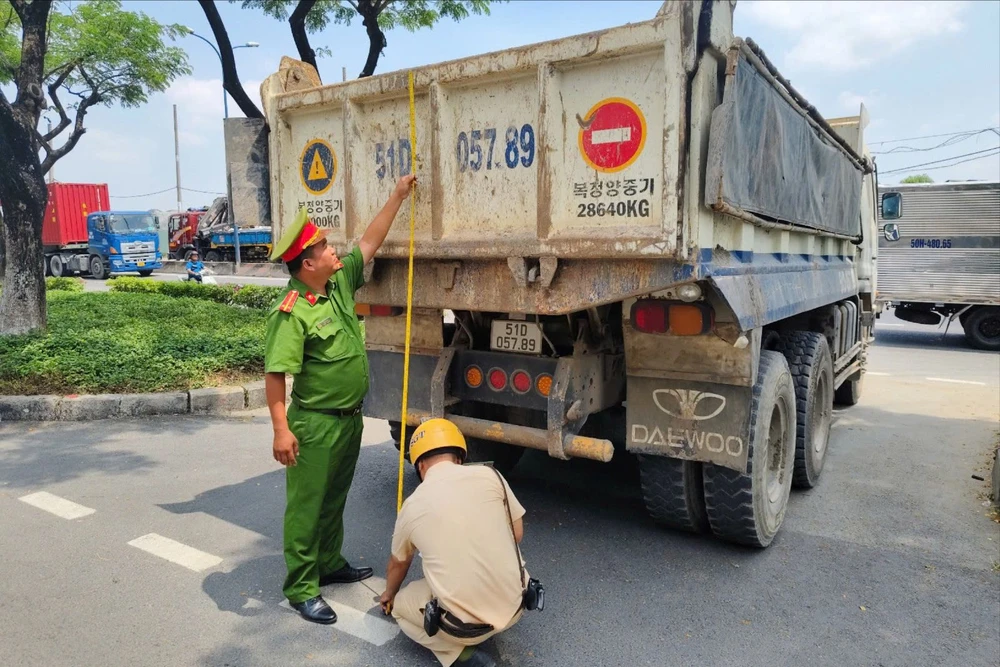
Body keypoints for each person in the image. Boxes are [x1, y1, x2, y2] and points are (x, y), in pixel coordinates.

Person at [264, 173, 417, 624]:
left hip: (348, 420)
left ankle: (328, 563)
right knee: (307, 507)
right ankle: (301, 586)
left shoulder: (338, 285)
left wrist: (397, 196)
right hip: (314, 424)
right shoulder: (291, 312)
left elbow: (369, 242)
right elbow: (275, 375)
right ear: (307, 264)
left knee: (333, 499)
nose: (335, 250)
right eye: (325, 247)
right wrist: (281, 430)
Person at [380, 419, 530, 667]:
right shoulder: (491, 475)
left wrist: (389, 594)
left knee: (401, 609)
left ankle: (463, 656)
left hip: (464, 628)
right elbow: (516, 534)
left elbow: (398, 563)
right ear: (459, 458)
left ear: (420, 465)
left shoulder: (412, 505)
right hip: (516, 605)